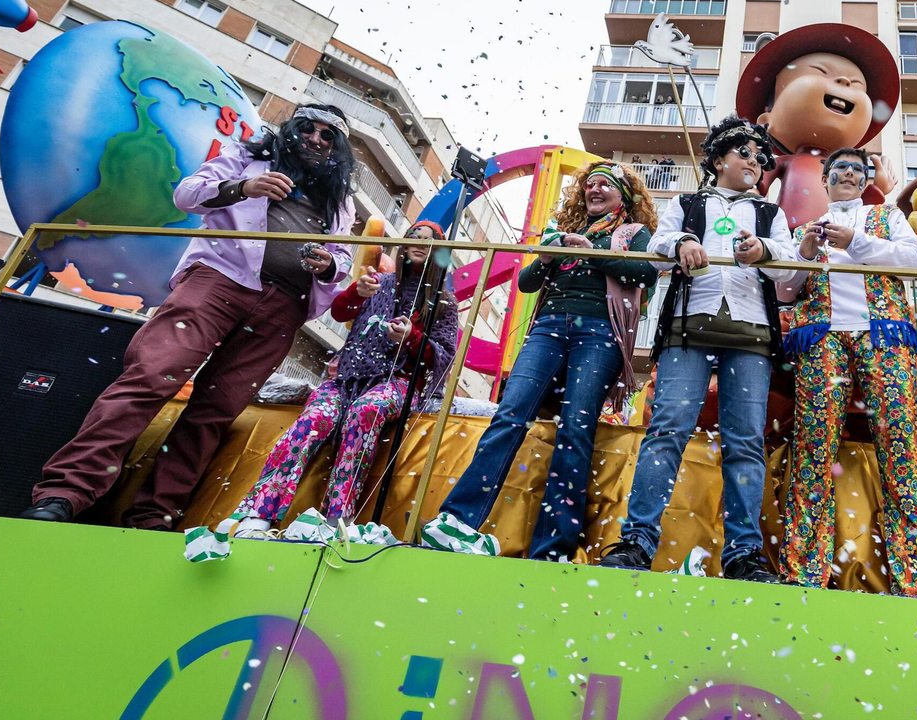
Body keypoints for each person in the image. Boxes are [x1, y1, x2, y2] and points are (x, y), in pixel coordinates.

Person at [21, 105, 357, 528]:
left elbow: (344, 260)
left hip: (283, 307)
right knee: (150, 375)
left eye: (329, 136)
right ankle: (65, 493)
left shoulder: (338, 200)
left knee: (215, 411)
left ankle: (154, 514)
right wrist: (245, 186)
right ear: (292, 128)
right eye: (308, 128)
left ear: (337, 149)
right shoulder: (246, 157)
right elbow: (187, 194)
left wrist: (327, 264)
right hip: (217, 281)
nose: (315, 139)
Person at [421, 162, 659, 560]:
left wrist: (593, 253)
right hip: (548, 326)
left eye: (605, 185)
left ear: (624, 195)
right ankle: (458, 521)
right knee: (510, 413)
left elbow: (643, 273)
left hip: (598, 331)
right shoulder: (564, 231)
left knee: (575, 429)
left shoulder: (633, 233)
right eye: (589, 184)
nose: (594, 189)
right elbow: (526, 282)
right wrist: (547, 258)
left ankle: (553, 548)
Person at [598, 116, 797, 582]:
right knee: (667, 429)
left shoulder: (771, 214)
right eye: (745, 153)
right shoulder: (686, 203)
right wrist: (684, 240)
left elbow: (788, 272)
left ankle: (744, 554)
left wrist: (763, 252)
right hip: (687, 328)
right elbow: (659, 244)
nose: (754, 162)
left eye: (759, 157)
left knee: (746, 442)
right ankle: (637, 540)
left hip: (751, 334)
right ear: (719, 160)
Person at [773, 147, 917, 597]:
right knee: (813, 447)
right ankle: (802, 572)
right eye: (841, 169)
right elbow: (786, 294)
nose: (850, 174)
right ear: (827, 181)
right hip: (821, 340)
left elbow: (912, 262)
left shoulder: (886, 217)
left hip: (884, 336)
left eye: (858, 169)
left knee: (900, 449)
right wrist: (807, 255)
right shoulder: (804, 229)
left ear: (867, 179)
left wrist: (854, 240)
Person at [225, 220, 459, 535]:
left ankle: (338, 519)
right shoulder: (378, 281)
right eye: (413, 236)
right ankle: (259, 513)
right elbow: (340, 312)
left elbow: (443, 356)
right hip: (347, 379)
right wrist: (356, 291)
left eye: (429, 240)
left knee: (367, 410)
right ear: (403, 244)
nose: (419, 242)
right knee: (314, 418)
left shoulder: (444, 303)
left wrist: (412, 338)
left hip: (400, 382)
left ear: (438, 252)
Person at [735, 22, 901, 230]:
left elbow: (859, 208)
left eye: (855, 83)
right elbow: (755, 188)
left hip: (836, 242)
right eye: (821, 72)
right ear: (767, 121)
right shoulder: (784, 162)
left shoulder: (846, 171)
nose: (843, 81)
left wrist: (877, 188)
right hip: (789, 238)